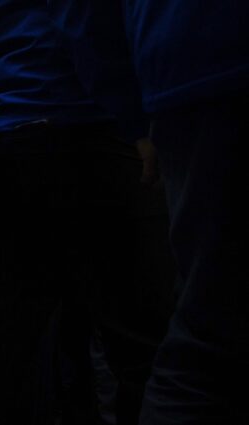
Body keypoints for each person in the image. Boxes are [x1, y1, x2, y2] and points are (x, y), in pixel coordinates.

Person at [0, 0, 175, 423]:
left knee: (26, 352)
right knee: (145, 344)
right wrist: (135, 119)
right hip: (82, 126)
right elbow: (84, 21)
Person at [121, 2, 249, 424]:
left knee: (204, 335)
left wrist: (132, 115)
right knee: (206, 336)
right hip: (209, 70)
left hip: (187, 69)